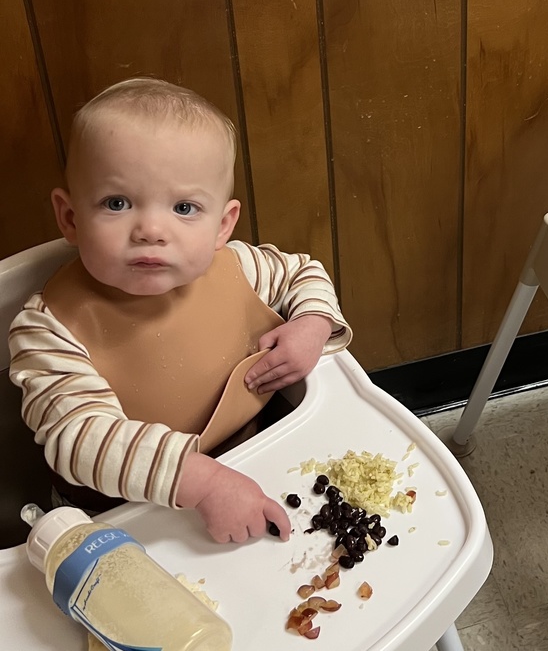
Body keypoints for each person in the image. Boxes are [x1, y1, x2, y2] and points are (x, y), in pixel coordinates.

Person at [9, 78, 350, 544]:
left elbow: (303, 274)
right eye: (117, 203)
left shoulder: (238, 267)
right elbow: (80, 439)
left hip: (249, 463)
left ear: (222, 225)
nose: (151, 229)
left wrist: (311, 325)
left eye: (184, 207)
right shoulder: (47, 329)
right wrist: (204, 482)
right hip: (120, 520)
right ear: (70, 217)